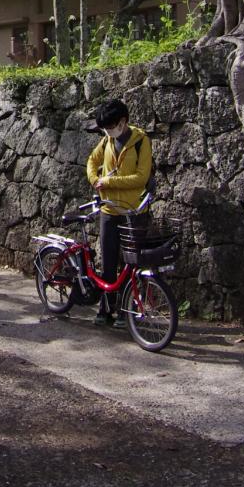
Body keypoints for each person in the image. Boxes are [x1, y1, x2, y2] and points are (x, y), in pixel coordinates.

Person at [85, 97, 152, 327]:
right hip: (109, 211)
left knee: (131, 264)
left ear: (122, 122)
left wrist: (109, 182)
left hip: (133, 212)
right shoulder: (106, 141)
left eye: (110, 127)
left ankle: (127, 311)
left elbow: (141, 178)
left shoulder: (141, 142)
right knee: (108, 261)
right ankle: (105, 308)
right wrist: (95, 179)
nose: (108, 131)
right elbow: (91, 162)